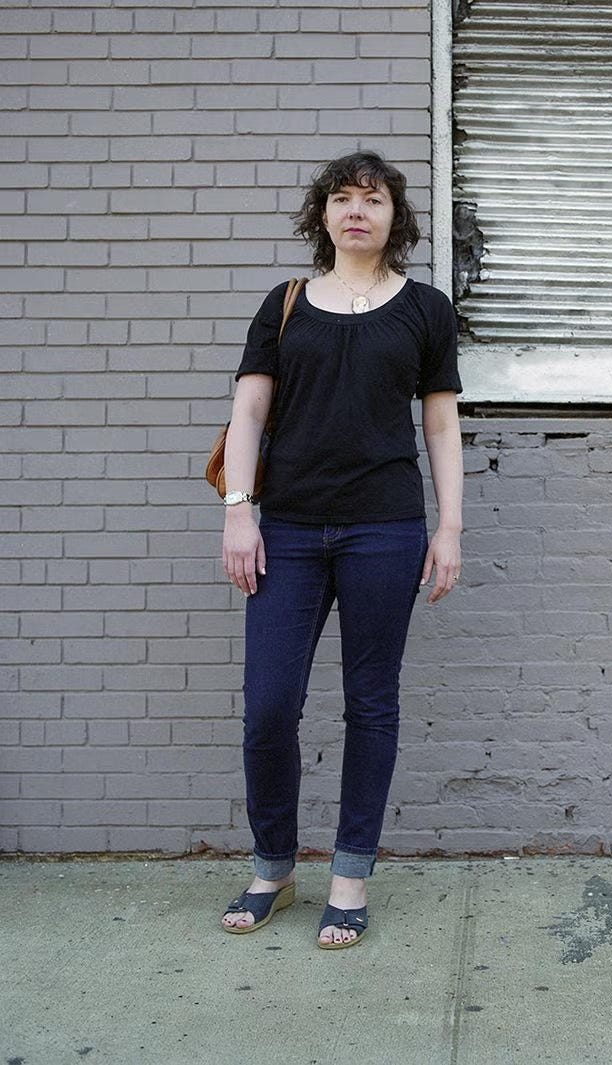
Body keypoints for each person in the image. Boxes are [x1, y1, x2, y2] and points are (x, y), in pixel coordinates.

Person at [217, 150, 463, 949]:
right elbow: (248, 417)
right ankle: (274, 867)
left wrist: (448, 527)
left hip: (383, 529)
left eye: (374, 198)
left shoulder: (425, 309)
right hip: (285, 528)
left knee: (371, 704)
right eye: (341, 198)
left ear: (397, 218)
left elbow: (440, 426)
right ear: (321, 215)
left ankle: (350, 875)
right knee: (268, 708)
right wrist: (238, 512)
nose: (357, 210)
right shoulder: (285, 303)